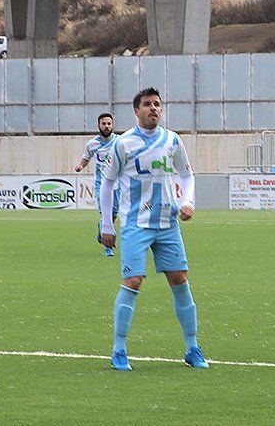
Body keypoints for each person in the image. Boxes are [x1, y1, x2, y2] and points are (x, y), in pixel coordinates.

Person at [99, 88, 207, 372]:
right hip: (135, 223)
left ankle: (192, 347)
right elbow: (108, 184)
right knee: (133, 282)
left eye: (157, 104)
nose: (153, 109)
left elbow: (187, 174)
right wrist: (107, 224)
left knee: (180, 279)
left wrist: (187, 201)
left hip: (167, 223)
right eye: (147, 105)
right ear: (137, 111)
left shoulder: (172, 140)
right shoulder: (123, 144)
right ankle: (118, 350)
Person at [75, 112, 119, 257]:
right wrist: (81, 166)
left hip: (118, 184)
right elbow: (86, 158)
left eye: (109, 124)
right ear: (99, 125)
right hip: (102, 183)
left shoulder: (120, 141)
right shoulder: (92, 144)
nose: (106, 126)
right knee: (105, 213)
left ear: (112, 125)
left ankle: (103, 229)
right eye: (104, 124)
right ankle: (108, 248)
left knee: (113, 215)